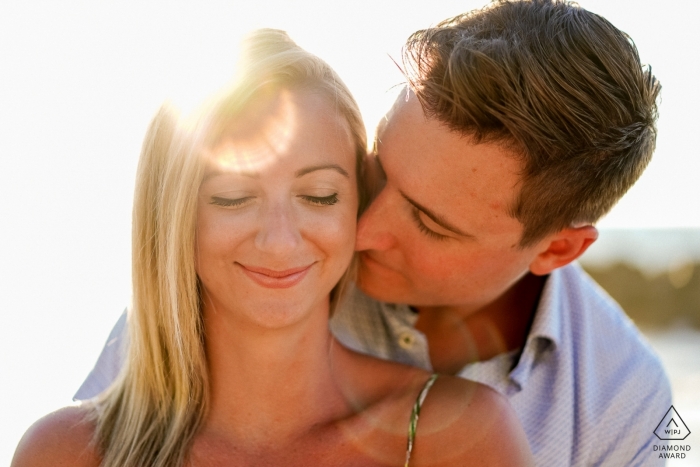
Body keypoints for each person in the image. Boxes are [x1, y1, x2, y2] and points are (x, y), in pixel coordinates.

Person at [51, 0, 673, 465]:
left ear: (557, 249)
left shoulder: (623, 402)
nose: (362, 228)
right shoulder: (245, 291)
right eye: (374, 170)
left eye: (429, 222)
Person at [12, 29, 533, 467]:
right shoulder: (64, 452)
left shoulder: (459, 436)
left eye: (319, 195)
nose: (281, 239)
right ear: (172, 217)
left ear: (356, 204)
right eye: (233, 197)